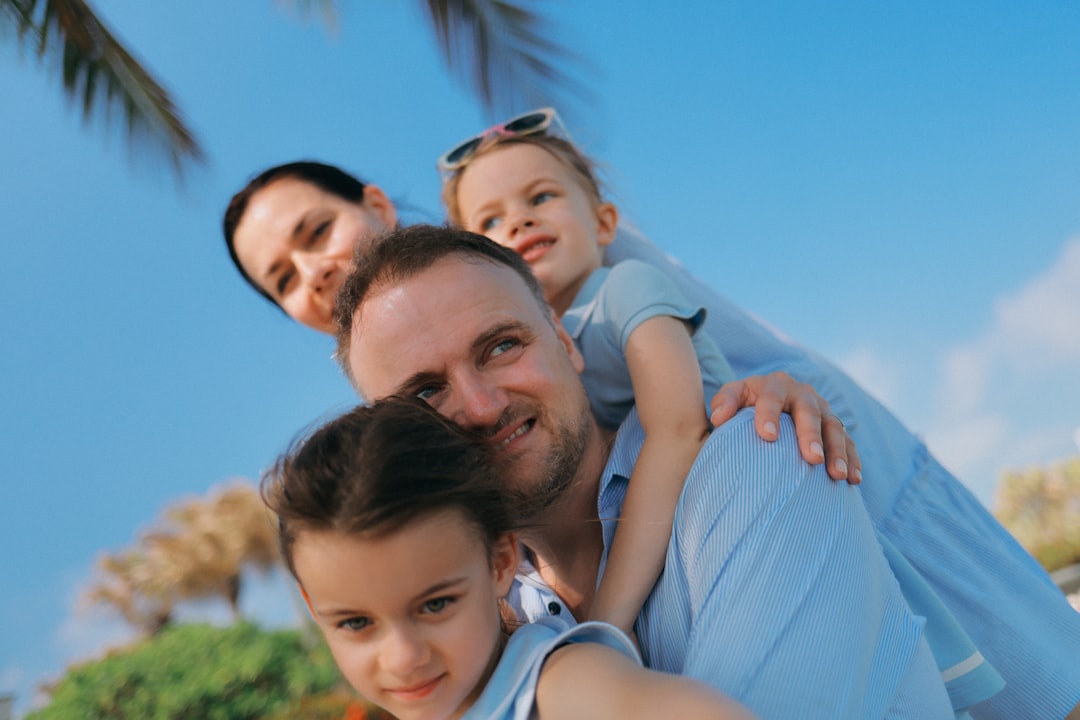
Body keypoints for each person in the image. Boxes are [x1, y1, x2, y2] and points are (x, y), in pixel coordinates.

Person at [331, 223, 957, 718]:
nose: (481, 406)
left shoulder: (756, 455)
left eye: (501, 346)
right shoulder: (471, 619)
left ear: (565, 339)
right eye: (425, 394)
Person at [223, 161, 861, 483]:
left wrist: (770, 392)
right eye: (282, 279)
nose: (312, 272)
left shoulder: (532, 257)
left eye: (317, 231)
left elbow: (728, 351)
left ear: (378, 205)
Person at [263, 395, 757, 720]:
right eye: (354, 623)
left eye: (435, 605)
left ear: (501, 563)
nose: (404, 657)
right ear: (313, 607)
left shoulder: (557, 686)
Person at [438, 109, 736, 635]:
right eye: (489, 221)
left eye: (541, 197)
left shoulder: (626, 289)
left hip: (734, 492)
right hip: (671, 533)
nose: (519, 221)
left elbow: (679, 429)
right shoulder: (529, 362)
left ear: (603, 221)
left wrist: (608, 619)